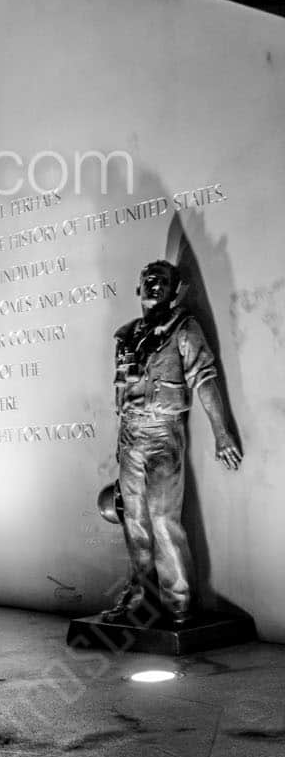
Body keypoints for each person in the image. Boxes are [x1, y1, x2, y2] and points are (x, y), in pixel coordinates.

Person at [101, 259, 242, 628]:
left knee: (163, 520)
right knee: (134, 522)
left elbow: (205, 378)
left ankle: (179, 604)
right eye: (147, 279)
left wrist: (221, 432)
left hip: (163, 432)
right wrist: (121, 443)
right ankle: (141, 601)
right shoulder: (126, 335)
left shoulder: (184, 328)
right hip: (131, 435)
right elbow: (122, 393)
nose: (153, 285)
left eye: (161, 280)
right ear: (139, 288)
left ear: (174, 289)